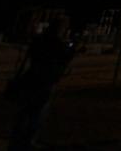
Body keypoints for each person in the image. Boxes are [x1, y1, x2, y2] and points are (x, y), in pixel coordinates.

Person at [8, 21, 76, 150]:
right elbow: (65, 57)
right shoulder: (57, 44)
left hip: (31, 77)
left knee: (24, 111)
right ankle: (28, 140)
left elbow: (31, 53)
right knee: (37, 113)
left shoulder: (38, 40)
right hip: (45, 81)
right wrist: (71, 48)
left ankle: (15, 140)